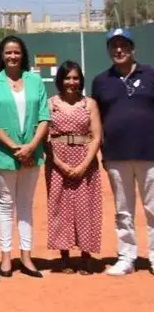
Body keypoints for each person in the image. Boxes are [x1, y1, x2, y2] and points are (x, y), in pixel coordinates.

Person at [0, 35, 49, 277]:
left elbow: (44, 116)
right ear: (2, 55)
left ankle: (27, 256)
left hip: (33, 152)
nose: (12, 56)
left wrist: (31, 146)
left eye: (17, 52)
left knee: (25, 205)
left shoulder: (35, 81)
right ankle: (5, 257)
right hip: (4, 153)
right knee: (5, 205)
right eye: (8, 52)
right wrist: (15, 148)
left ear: (23, 55)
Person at [91, 28, 154, 276]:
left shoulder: (150, 74)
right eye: (114, 46)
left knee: (153, 207)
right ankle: (127, 257)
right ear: (109, 50)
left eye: (123, 45)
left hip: (150, 153)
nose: (119, 50)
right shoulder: (101, 81)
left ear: (132, 48)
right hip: (116, 154)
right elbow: (97, 119)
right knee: (123, 210)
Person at [45, 61, 103, 274]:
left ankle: (86, 256)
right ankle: (65, 257)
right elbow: (45, 137)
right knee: (60, 207)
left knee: (86, 207)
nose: (71, 82)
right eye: (67, 77)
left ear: (81, 80)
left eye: (75, 78)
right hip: (57, 160)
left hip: (85, 159)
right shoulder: (51, 103)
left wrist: (84, 165)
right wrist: (58, 163)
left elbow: (97, 137)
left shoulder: (89, 104)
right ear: (59, 80)